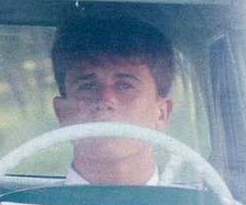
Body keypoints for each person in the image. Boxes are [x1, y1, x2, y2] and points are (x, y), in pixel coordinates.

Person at [49, 15, 178, 186]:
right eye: (88, 86)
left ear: (162, 113)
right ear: (62, 113)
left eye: (125, 86)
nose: (105, 100)